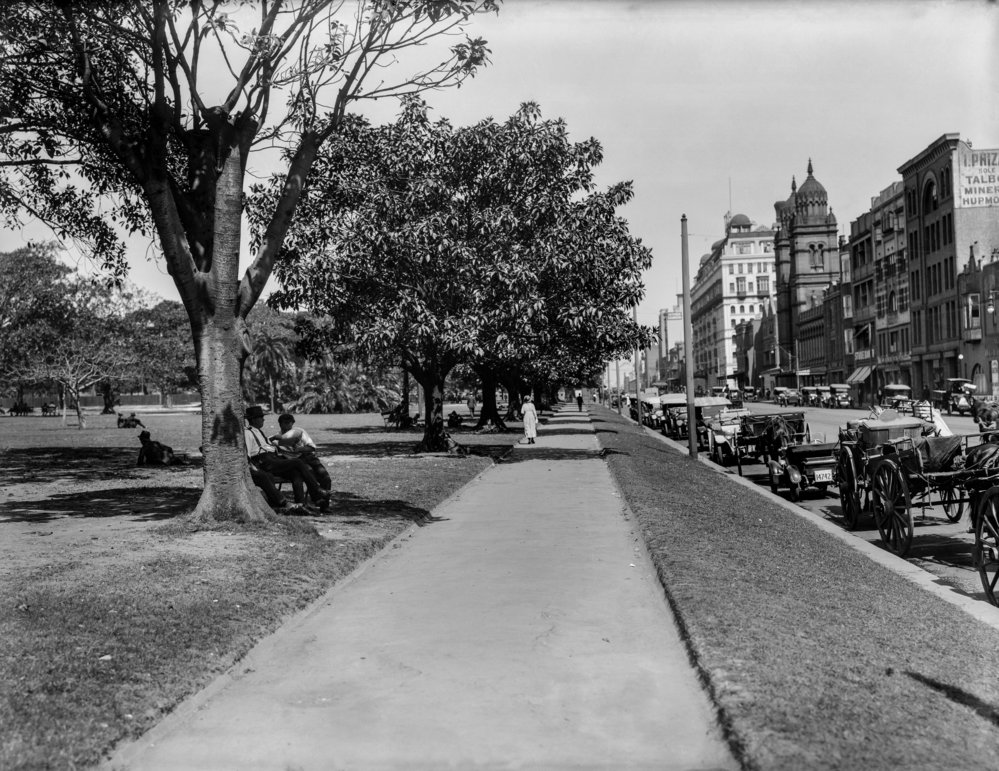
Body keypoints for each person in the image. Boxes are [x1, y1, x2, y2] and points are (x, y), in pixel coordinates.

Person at [244, 405, 330, 512]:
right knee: (297, 462)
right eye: (260, 417)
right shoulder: (248, 432)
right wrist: (253, 467)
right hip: (264, 460)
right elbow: (247, 453)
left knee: (296, 473)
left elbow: (267, 443)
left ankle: (300, 505)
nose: (263, 419)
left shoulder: (259, 431)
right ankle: (316, 490)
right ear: (253, 419)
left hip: (273, 458)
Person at [269, 413, 332, 493]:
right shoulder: (276, 438)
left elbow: (311, 448)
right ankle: (318, 498)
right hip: (296, 461)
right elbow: (266, 443)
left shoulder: (299, 432)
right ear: (280, 424)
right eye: (285, 423)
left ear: (293, 424)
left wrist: (299, 449)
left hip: (308, 456)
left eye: (290, 424)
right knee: (310, 475)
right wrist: (274, 439)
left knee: (325, 477)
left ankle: (324, 502)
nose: (288, 426)